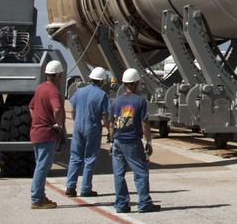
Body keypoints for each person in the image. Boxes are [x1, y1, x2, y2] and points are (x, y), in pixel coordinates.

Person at [109, 68, 160, 214]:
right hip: (132, 142)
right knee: (141, 173)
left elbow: (111, 124)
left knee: (119, 175)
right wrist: (149, 142)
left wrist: (112, 141)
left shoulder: (115, 102)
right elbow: (144, 124)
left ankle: (121, 204)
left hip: (117, 141)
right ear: (136, 83)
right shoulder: (140, 101)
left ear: (124, 83)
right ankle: (144, 203)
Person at [28, 59, 67, 210]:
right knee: (43, 167)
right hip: (47, 134)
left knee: (40, 165)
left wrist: (38, 120)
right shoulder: (54, 91)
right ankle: (37, 198)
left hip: (37, 131)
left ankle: (40, 195)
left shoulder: (40, 88)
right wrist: (58, 125)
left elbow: (31, 107)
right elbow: (57, 109)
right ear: (57, 75)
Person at [64, 67, 110, 197]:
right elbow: (105, 116)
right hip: (92, 128)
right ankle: (85, 188)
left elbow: (72, 110)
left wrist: (77, 121)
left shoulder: (79, 92)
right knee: (89, 158)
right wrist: (109, 130)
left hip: (78, 126)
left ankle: (70, 186)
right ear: (102, 81)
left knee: (75, 157)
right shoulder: (102, 95)